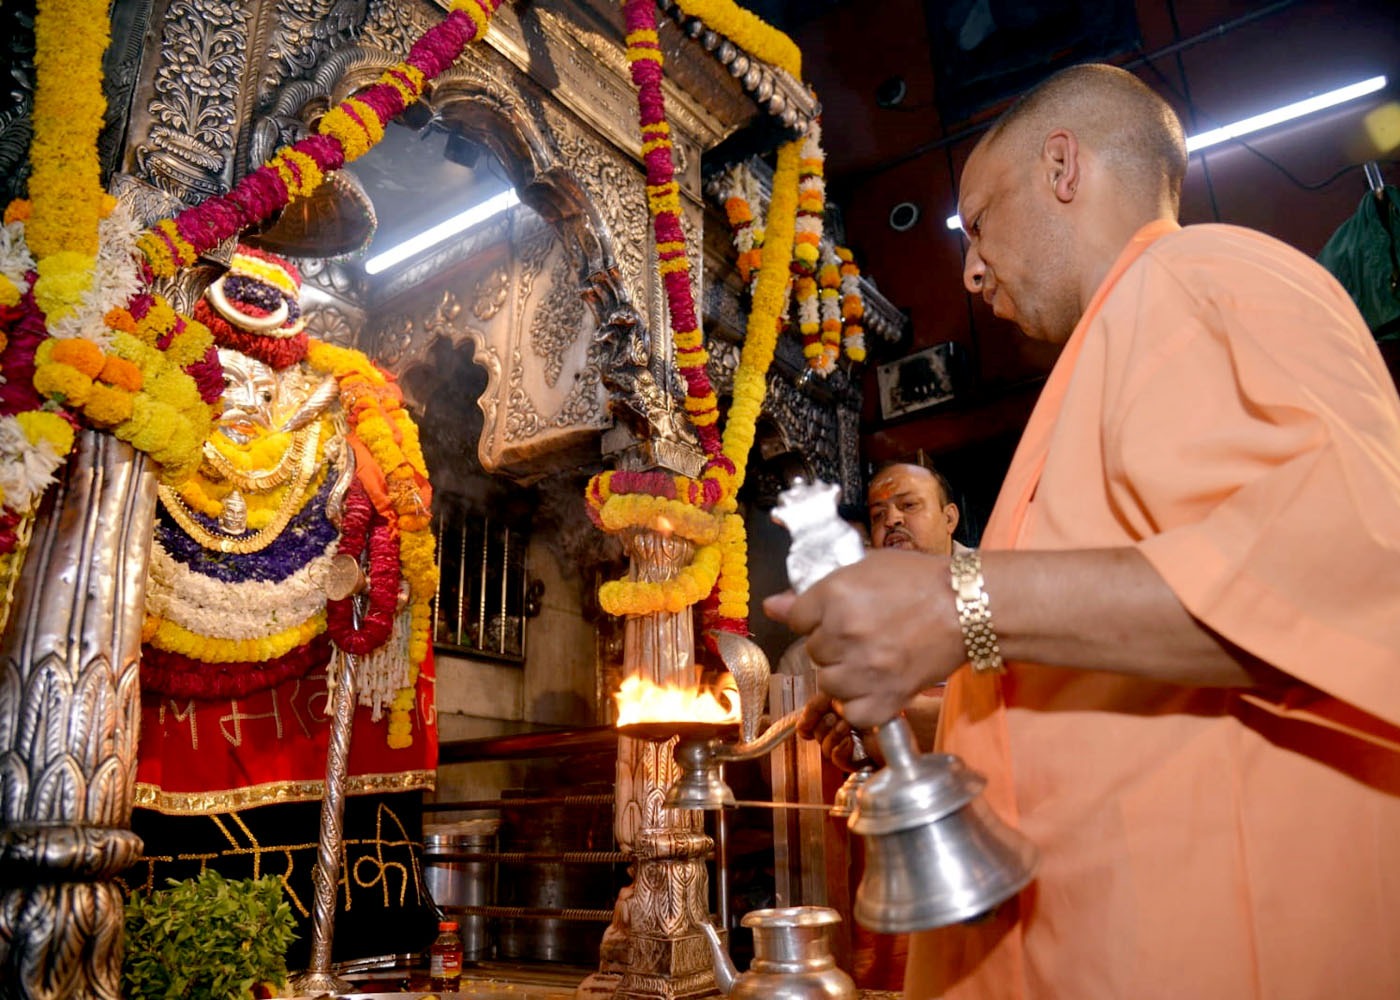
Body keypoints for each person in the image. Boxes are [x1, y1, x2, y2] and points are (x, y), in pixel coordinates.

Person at [766, 62, 1400, 999]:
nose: (971, 267)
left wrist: (957, 600)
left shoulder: (1200, 274)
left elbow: (1350, 567)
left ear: (1063, 167)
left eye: (977, 223)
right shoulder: (1103, 360)